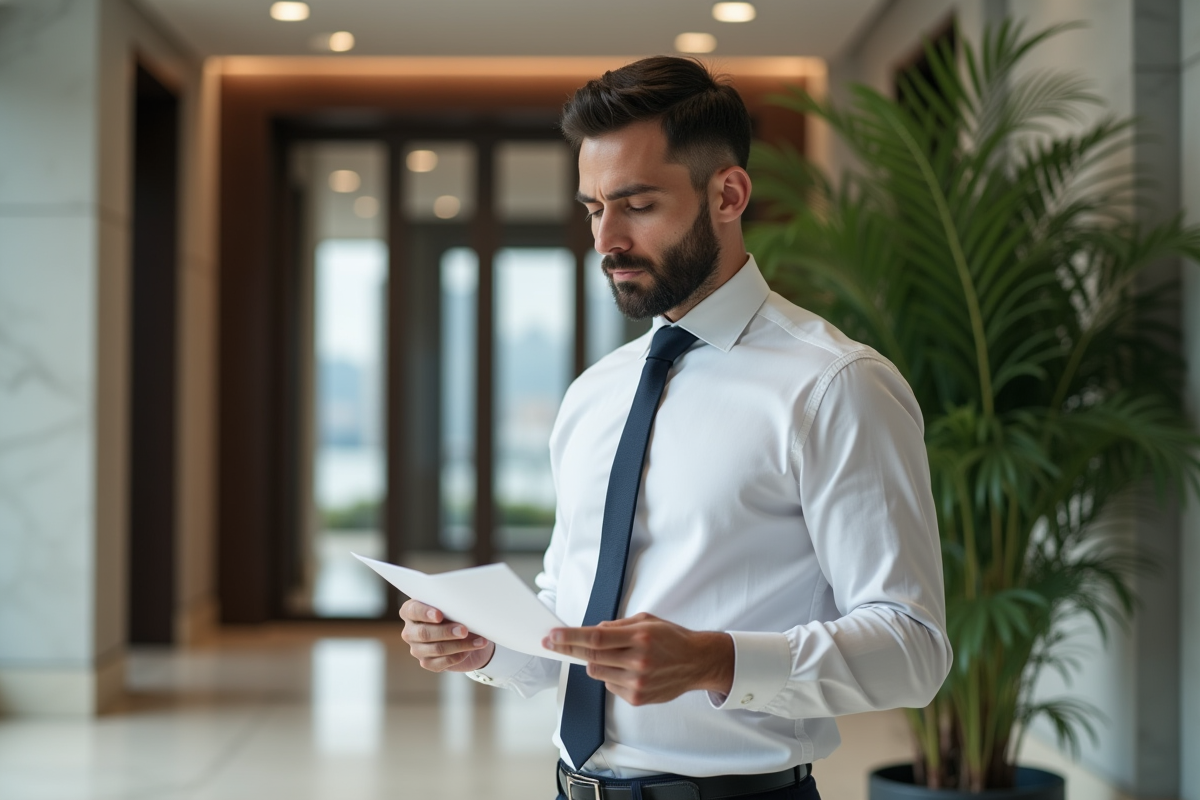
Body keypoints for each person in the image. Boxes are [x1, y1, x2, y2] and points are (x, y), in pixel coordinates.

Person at [400, 56, 952, 800]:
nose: (606, 241)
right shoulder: (595, 394)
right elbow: (567, 626)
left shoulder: (834, 386)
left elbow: (913, 650)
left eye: (637, 204)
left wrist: (717, 662)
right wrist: (483, 645)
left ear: (727, 194)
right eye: (595, 208)